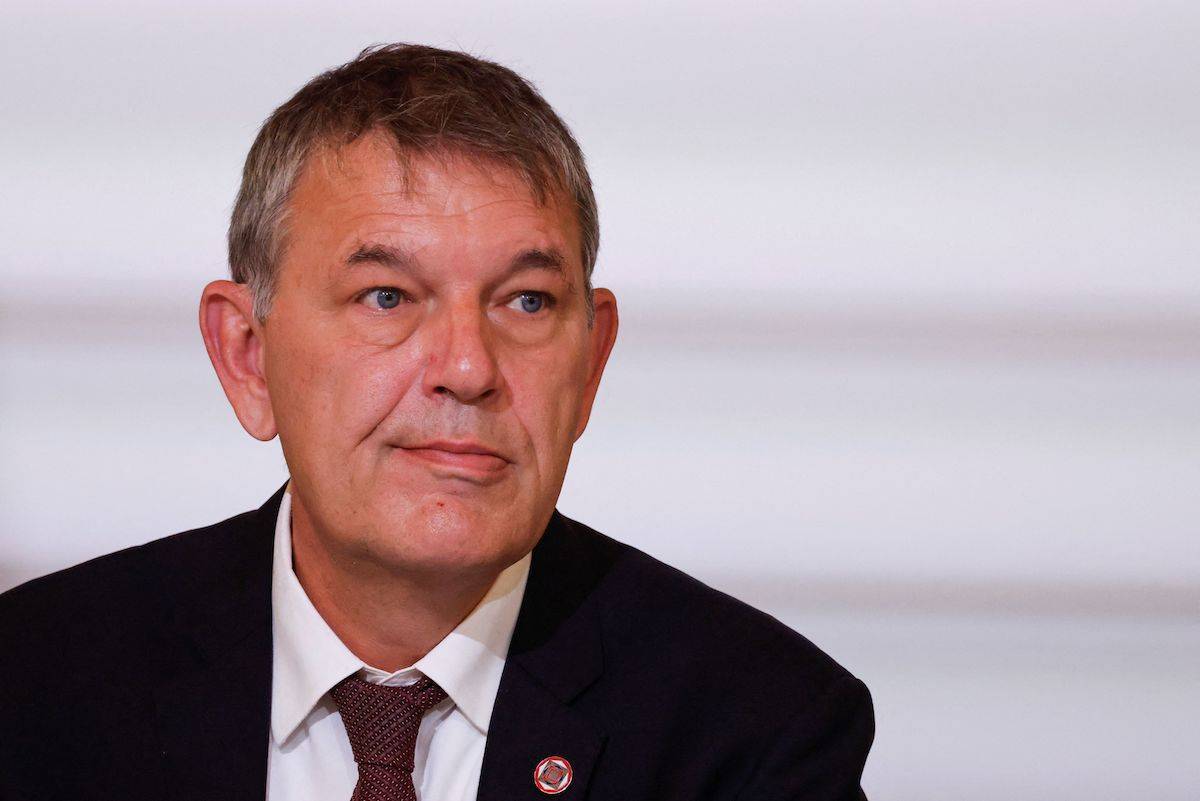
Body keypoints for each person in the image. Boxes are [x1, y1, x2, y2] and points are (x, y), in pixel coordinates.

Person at [0, 43, 874, 800]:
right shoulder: (37, 689)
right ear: (247, 354)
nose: (468, 368)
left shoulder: (754, 729)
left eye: (527, 301)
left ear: (591, 360)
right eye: (387, 296)